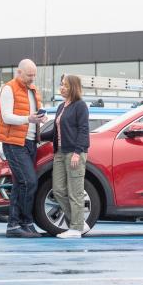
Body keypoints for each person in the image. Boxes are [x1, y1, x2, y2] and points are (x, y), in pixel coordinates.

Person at [0, 59, 47, 238]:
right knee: (29, 182)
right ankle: (23, 222)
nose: (32, 78)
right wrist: (29, 119)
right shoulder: (9, 89)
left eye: (34, 75)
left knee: (21, 183)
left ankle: (17, 225)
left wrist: (42, 117)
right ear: (19, 72)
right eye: (29, 75)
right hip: (14, 143)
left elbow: (37, 112)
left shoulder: (33, 90)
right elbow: (7, 117)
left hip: (31, 142)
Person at [52, 74, 91, 238]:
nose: (62, 88)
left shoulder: (80, 106)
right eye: (61, 85)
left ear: (73, 88)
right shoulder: (62, 106)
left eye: (66, 85)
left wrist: (77, 152)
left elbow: (83, 130)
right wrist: (37, 136)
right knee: (59, 190)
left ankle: (75, 229)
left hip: (74, 152)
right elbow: (56, 131)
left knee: (75, 192)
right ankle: (80, 222)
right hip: (60, 153)